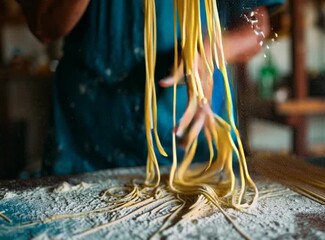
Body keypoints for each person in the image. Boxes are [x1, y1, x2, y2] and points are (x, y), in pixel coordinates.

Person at [18, 0, 284, 176]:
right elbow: (45, 24)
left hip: (192, 143)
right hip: (88, 144)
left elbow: (257, 27)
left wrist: (210, 51)